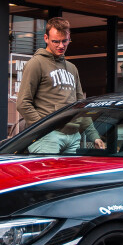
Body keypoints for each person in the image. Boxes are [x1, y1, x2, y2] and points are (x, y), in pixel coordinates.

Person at [16, 17, 105, 148]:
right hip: (48, 138)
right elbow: (23, 103)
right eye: (56, 41)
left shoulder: (72, 68)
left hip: (74, 137)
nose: (61, 46)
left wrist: (94, 136)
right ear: (46, 38)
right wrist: (44, 129)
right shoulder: (36, 64)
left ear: (69, 39)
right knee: (49, 169)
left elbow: (81, 106)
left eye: (65, 41)